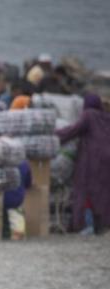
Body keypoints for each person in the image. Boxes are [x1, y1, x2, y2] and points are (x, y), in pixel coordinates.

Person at [57, 94, 110, 234]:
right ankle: (103, 224)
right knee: (104, 193)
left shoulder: (89, 115)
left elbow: (74, 130)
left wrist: (53, 135)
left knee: (85, 190)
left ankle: (86, 225)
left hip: (92, 159)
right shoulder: (106, 117)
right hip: (107, 161)